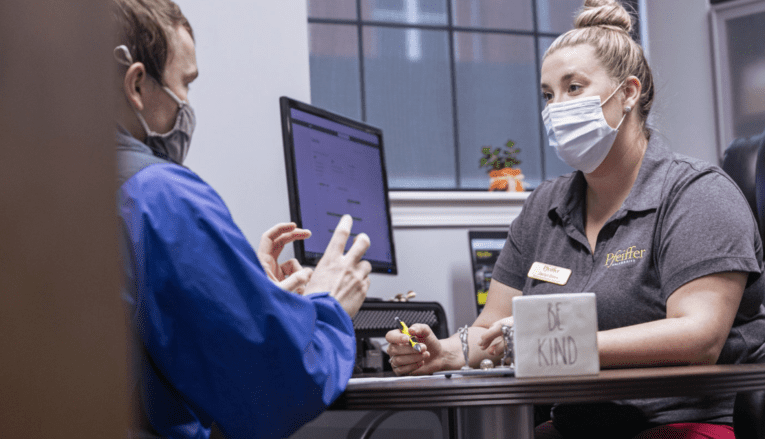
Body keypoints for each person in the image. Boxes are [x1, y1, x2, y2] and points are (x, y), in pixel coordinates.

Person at [386, 1, 765, 438]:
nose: (556, 107)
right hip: (573, 427)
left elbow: (698, 337)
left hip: (678, 425)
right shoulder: (545, 206)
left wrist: (550, 346)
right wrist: (445, 353)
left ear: (628, 93)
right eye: (548, 95)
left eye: (574, 88)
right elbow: (493, 330)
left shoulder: (696, 193)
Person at [112, 0, 373, 438]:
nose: (186, 104)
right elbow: (274, 389)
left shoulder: (46, 190)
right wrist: (327, 305)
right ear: (137, 84)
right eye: (185, 84)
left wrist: (248, 295)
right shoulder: (160, 196)